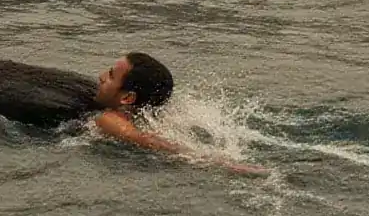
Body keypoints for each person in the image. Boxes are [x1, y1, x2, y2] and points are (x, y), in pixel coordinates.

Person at [93, 52, 266, 175]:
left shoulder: (107, 119)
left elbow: (141, 138)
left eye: (111, 76)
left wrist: (216, 162)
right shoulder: (157, 116)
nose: (101, 76)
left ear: (127, 98)